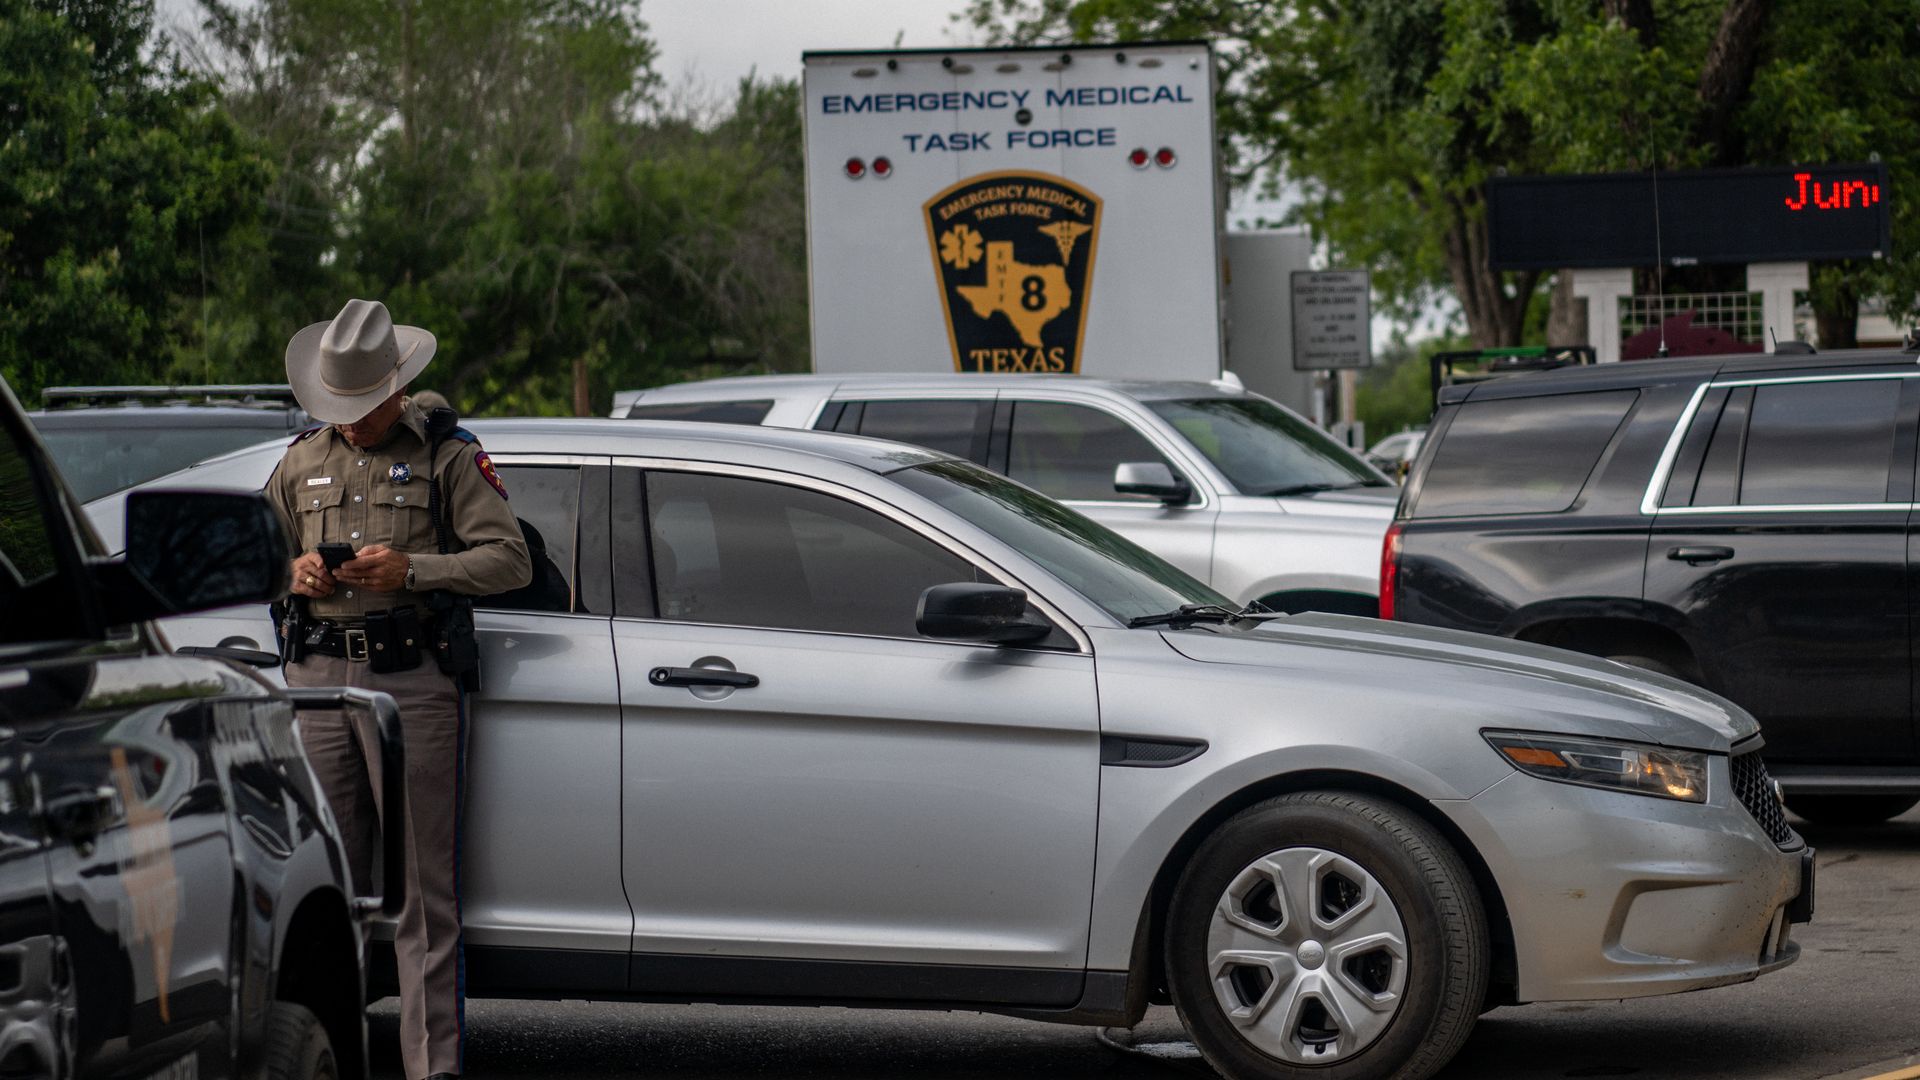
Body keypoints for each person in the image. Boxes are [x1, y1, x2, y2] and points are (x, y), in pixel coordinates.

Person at [268, 298, 530, 1080]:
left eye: (358, 407)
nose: (346, 421)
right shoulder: (299, 459)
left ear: (395, 386)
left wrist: (413, 570)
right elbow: (252, 556)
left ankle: (430, 1070)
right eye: (333, 408)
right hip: (317, 683)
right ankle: (331, 1061)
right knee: (325, 894)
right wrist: (294, 572)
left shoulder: (449, 453)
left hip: (410, 680)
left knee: (423, 897)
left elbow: (508, 561)